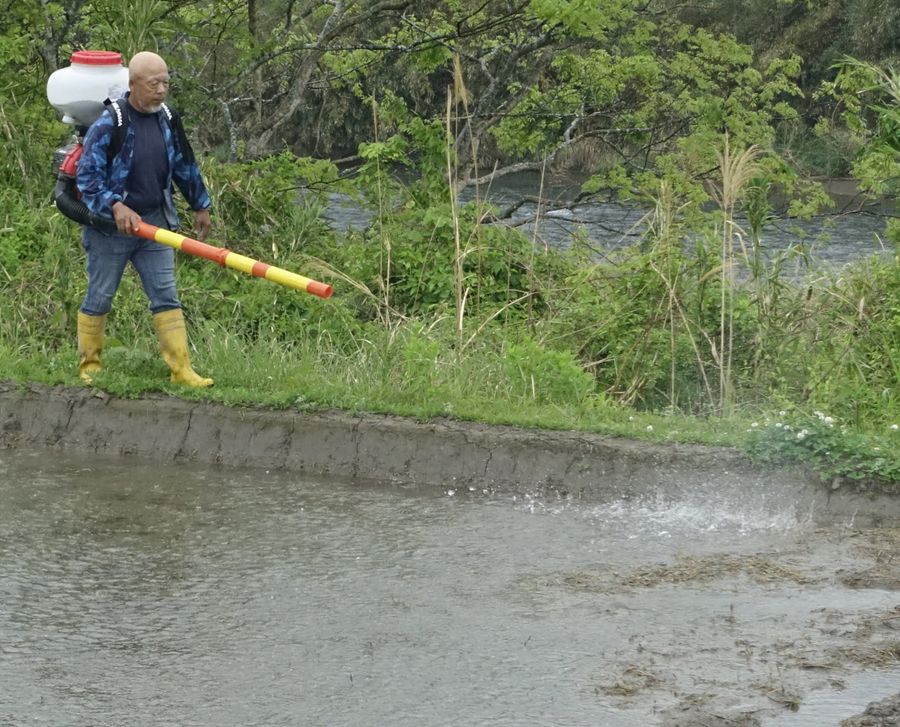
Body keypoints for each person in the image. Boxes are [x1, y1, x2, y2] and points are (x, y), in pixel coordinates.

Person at [75, 50, 213, 388]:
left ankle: (182, 371)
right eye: (154, 83)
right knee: (101, 294)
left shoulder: (167, 116)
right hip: (111, 230)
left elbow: (184, 162)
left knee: (166, 294)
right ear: (133, 84)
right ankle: (90, 365)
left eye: (166, 82)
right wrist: (115, 206)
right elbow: (87, 178)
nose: (162, 90)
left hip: (155, 224)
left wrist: (201, 204)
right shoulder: (111, 122)